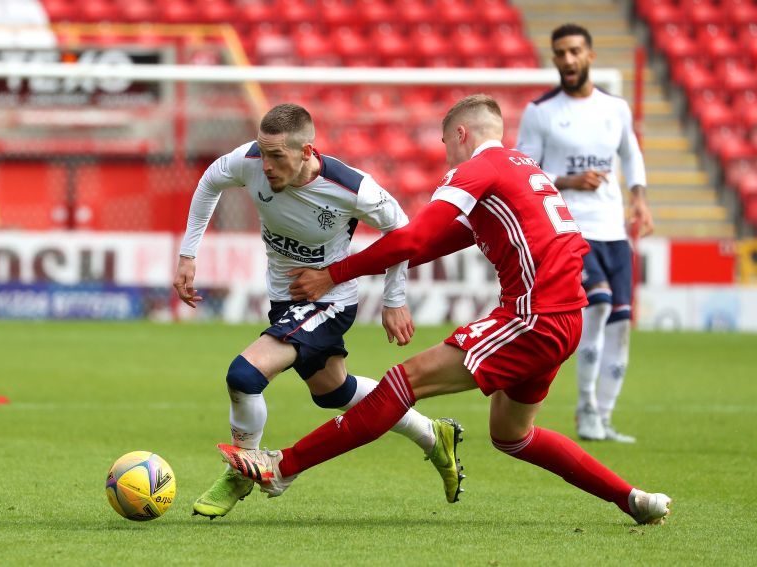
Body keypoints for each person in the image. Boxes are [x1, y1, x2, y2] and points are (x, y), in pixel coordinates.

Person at [217, 95, 672, 525]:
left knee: (402, 382)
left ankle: (284, 466)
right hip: (564, 315)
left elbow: (413, 238)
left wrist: (334, 274)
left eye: (444, 144)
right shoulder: (523, 166)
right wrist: (378, 269)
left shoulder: (479, 168)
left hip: (532, 317)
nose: (445, 156)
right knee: (513, 436)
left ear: (460, 134)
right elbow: (437, 242)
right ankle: (632, 499)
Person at [173, 103, 464, 519]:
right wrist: (188, 256)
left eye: (278, 156)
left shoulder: (350, 187)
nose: (266, 166)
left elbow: (402, 230)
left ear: (307, 151)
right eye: (263, 152)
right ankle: (432, 436)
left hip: (329, 302)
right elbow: (209, 183)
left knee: (244, 375)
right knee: (335, 392)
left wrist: (394, 299)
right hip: (284, 300)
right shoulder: (250, 160)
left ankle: (242, 469)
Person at [516, 24, 654, 444]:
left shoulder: (615, 108)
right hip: (570, 228)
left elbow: (631, 153)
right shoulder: (540, 111)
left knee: (622, 321)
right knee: (597, 305)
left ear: (590, 55)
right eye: (560, 53)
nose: (568, 60)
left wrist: (640, 198)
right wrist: (569, 181)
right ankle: (586, 409)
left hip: (613, 229)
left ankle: (605, 417)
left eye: (575, 51)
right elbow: (523, 172)